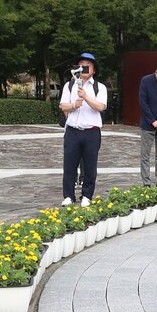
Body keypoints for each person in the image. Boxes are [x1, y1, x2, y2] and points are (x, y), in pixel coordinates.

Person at [60, 52, 108, 206]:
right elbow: (63, 106)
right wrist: (74, 105)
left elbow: (100, 106)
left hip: (91, 132)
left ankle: (87, 195)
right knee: (69, 165)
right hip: (73, 131)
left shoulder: (99, 87)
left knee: (90, 166)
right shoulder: (69, 85)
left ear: (93, 70)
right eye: (81, 65)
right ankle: (68, 196)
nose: (84, 68)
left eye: (88, 66)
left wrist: (86, 97)